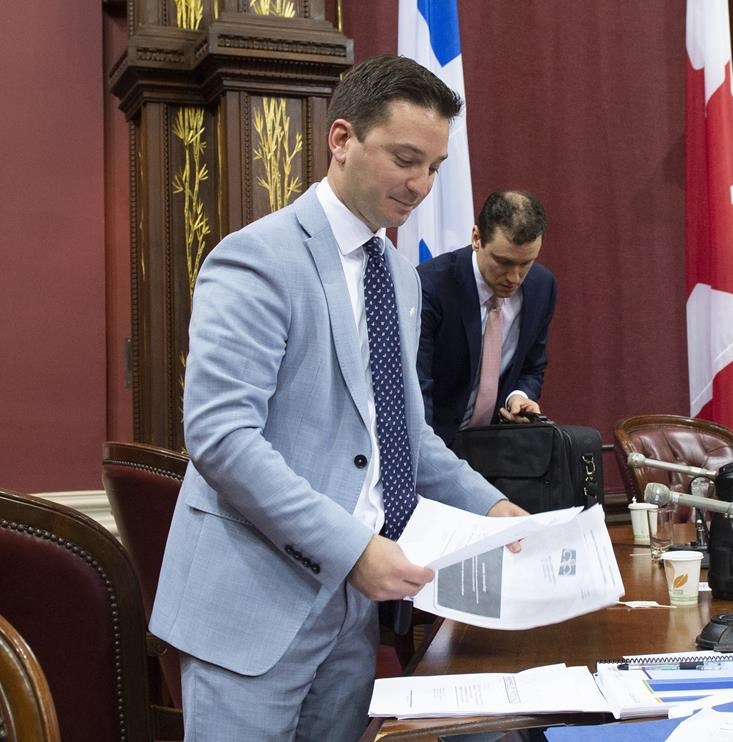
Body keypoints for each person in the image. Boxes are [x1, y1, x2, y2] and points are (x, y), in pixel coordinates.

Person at [149, 55, 527, 741]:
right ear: (342, 139)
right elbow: (221, 439)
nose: (422, 185)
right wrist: (353, 548)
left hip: (352, 610)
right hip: (253, 604)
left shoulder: (401, 278)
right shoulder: (256, 258)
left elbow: (404, 438)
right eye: (406, 159)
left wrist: (497, 509)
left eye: (436, 166)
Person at [416, 190, 557, 446]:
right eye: (503, 262)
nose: (514, 277)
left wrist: (517, 396)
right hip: (434, 443)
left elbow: (532, 367)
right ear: (476, 238)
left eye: (526, 263)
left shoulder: (542, 286)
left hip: (496, 449)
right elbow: (417, 387)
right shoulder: (431, 286)